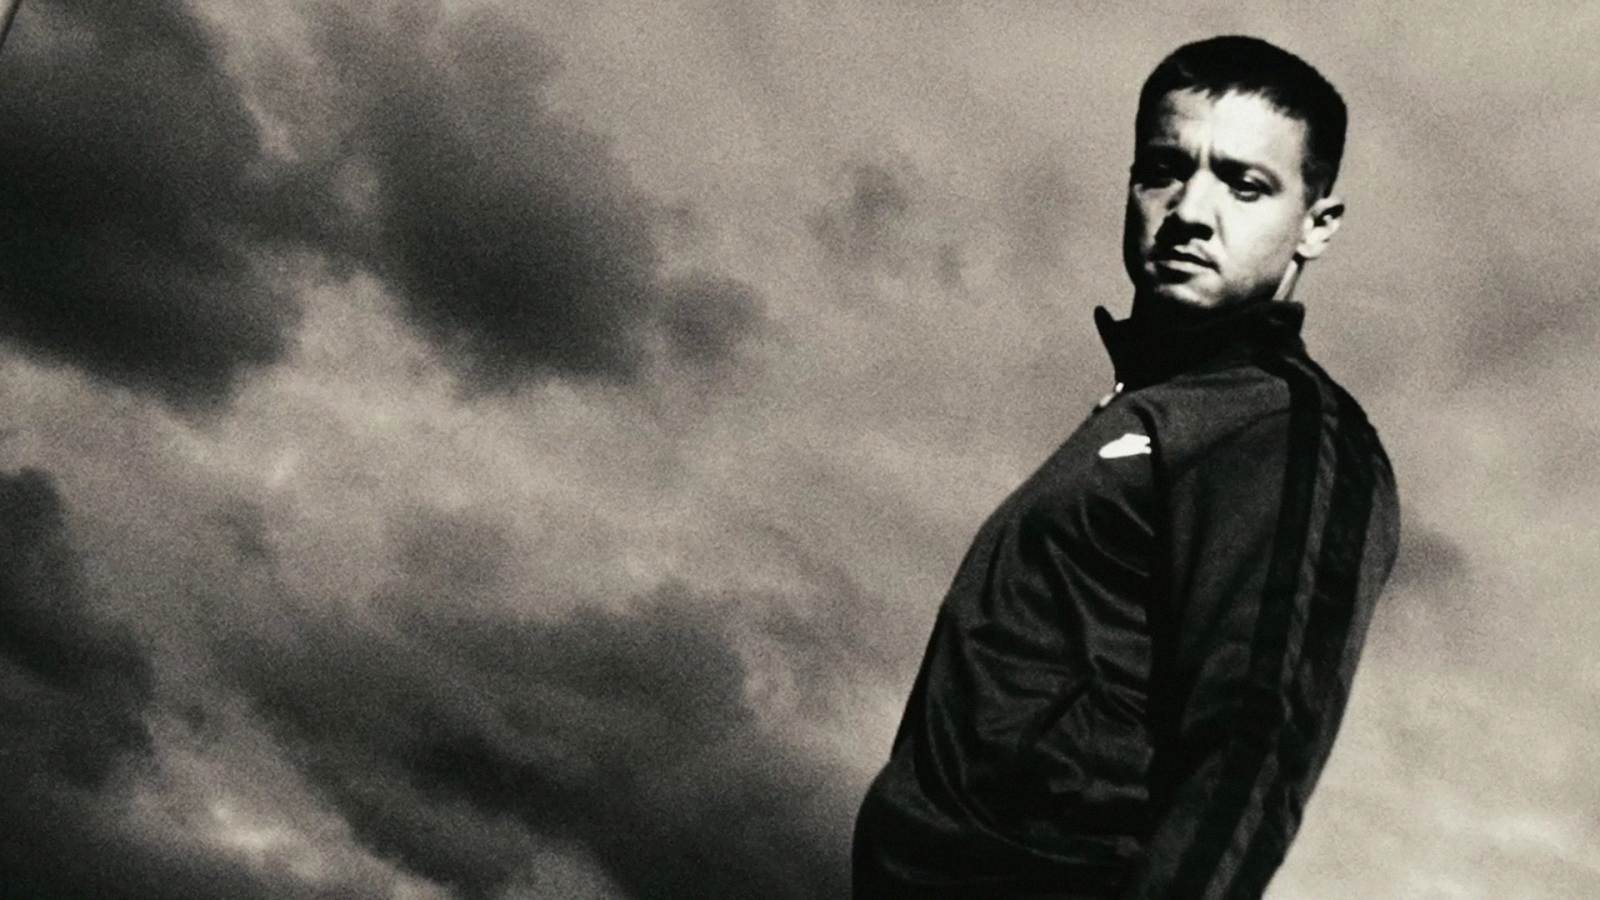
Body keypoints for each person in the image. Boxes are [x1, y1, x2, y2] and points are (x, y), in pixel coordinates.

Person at [852, 35, 1401, 900]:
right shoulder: (1149, 412)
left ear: (1315, 225)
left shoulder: (1277, 428)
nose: (1190, 211)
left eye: (1245, 184)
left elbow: (1251, 755)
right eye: (1164, 171)